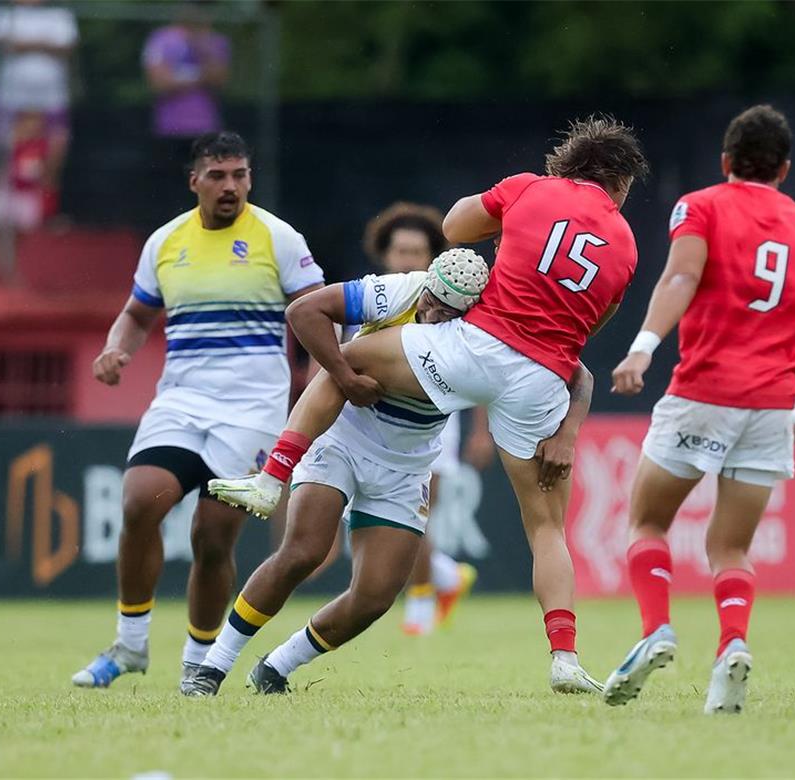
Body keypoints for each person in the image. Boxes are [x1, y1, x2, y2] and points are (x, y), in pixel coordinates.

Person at [209, 115, 650, 693]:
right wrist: (565, 431)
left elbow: (455, 224)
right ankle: (564, 657)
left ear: (566, 165)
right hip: (542, 378)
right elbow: (587, 333)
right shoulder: (628, 244)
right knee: (546, 529)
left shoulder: (529, 188)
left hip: (477, 348)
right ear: (619, 185)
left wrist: (513, 225)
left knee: (356, 359)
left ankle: (272, 478)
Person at [602, 105, 795, 714]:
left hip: (703, 393)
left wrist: (641, 348)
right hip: (770, 409)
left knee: (647, 523)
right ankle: (732, 644)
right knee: (731, 548)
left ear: (727, 161)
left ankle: (656, 629)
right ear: (785, 169)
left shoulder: (701, 205)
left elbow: (681, 278)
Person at [181, 250, 506, 695]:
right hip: (343, 439)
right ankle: (212, 667)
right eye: (432, 300)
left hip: (407, 466)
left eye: (448, 311)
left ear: (470, 310)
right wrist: (344, 376)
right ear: (425, 283)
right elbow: (304, 310)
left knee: (374, 597)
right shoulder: (399, 290)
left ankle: (276, 666)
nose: (432, 314)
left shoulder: (480, 332)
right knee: (303, 552)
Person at [70, 131, 325, 689]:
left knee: (213, 539)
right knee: (140, 502)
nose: (230, 186)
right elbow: (138, 314)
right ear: (195, 182)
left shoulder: (278, 238)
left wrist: (321, 377)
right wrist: (117, 348)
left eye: (239, 175)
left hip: (253, 409)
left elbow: (316, 310)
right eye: (218, 175)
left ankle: (197, 664)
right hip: (181, 401)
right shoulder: (165, 242)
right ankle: (131, 645)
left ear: (249, 179)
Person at [360, 203, 481, 636]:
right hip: (369, 432)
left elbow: (485, 367)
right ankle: (447, 576)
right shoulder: (368, 301)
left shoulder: (457, 312)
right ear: (385, 254)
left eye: (417, 251)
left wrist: (482, 430)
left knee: (414, 515)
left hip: (432, 430)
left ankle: (422, 603)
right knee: (375, 522)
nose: (407, 260)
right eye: (400, 251)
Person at [0, 0, 76, 219]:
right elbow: (5, 44)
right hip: (11, 97)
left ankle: (45, 210)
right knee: (8, 154)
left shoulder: (60, 15)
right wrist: (45, 44)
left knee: (53, 153)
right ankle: (5, 213)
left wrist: (24, 44)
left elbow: (65, 47)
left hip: (51, 97)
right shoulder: (4, 14)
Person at [143, 2, 232, 206]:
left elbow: (219, 78)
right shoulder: (161, 40)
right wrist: (199, 77)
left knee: (206, 187)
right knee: (171, 188)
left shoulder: (216, 42)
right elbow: (158, 82)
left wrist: (199, 46)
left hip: (206, 129)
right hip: (169, 128)